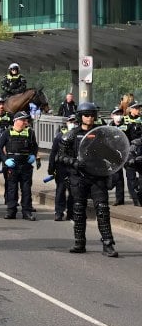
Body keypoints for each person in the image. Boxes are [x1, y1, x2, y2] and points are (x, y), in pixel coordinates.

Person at [55, 102, 118, 256]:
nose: (89, 118)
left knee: (103, 210)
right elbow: (60, 156)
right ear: (80, 116)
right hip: (79, 177)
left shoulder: (100, 135)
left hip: (97, 177)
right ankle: (79, 242)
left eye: (92, 115)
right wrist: (74, 162)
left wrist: (117, 159)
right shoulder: (70, 135)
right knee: (78, 210)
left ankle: (108, 244)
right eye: (86, 115)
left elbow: (110, 154)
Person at [0, 111, 38, 220]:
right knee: (12, 189)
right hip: (12, 165)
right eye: (23, 120)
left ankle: (27, 212)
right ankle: (11, 211)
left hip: (26, 165)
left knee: (26, 189)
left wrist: (33, 155)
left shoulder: (30, 132)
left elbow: (34, 146)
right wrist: (5, 160)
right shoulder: (7, 132)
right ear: (16, 121)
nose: (26, 122)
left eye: (26, 120)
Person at [49, 115, 77, 220]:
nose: (73, 123)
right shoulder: (59, 136)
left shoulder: (78, 136)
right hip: (61, 167)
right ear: (67, 123)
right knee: (60, 190)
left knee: (73, 191)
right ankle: (59, 212)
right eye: (71, 121)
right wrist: (51, 167)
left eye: (75, 121)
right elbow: (53, 152)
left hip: (74, 166)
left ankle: (71, 213)